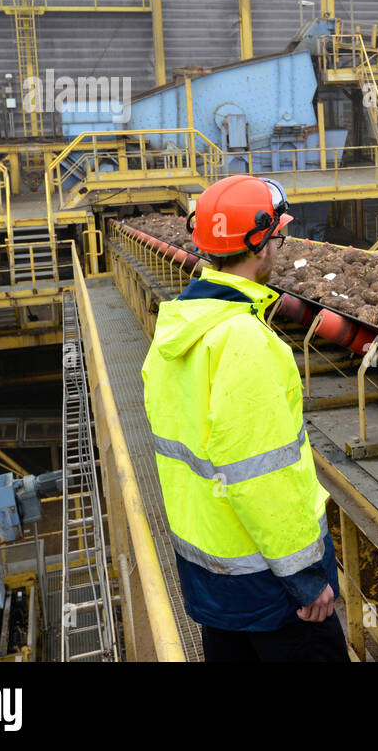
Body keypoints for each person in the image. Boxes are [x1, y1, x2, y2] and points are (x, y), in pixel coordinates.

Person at [141, 174, 346, 662]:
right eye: (276, 234)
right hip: (273, 594)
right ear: (259, 245)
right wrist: (305, 580)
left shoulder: (176, 332)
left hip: (210, 582)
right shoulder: (243, 341)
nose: (279, 244)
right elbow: (262, 476)